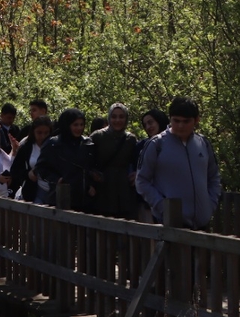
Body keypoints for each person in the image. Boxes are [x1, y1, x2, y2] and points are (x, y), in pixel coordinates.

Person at [135, 97, 221, 229]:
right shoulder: (156, 144)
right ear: (170, 119)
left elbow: (214, 176)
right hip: (170, 224)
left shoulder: (203, 143)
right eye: (176, 121)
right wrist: (162, 206)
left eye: (186, 121)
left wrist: (210, 205)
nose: (180, 126)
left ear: (196, 120)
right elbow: (141, 181)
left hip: (202, 225)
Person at [34, 108, 95, 208]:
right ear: (67, 125)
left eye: (81, 124)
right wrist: (56, 179)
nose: (79, 128)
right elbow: (41, 167)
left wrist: (91, 184)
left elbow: (90, 167)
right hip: (61, 196)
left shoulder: (87, 143)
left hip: (84, 199)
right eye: (75, 125)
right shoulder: (53, 144)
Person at [88, 104, 139, 218]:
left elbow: (138, 162)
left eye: (121, 117)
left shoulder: (130, 139)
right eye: (114, 116)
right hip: (103, 189)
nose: (117, 120)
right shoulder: (97, 136)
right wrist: (92, 176)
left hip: (124, 190)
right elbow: (86, 162)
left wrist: (136, 173)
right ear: (109, 118)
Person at [10, 117, 53, 203]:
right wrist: (28, 174)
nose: (43, 136)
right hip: (33, 192)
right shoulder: (27, 147)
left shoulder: (55, 147)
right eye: (39, 133)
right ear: (33, 132)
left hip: (53, 191)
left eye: (46, 133)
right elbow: (15, 170)